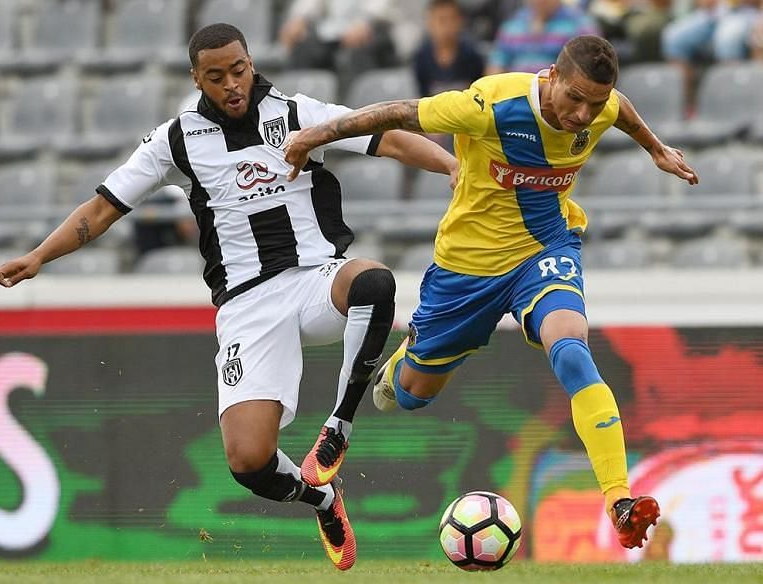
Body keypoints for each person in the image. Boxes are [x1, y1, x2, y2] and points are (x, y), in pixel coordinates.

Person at [0, 24, 457, 570]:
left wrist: (452, 165)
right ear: (195, 78)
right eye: (216, 76)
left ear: (251, 63)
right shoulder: (175, 140)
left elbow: (385, 135)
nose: (232, 84)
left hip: (315, 279)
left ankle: (337, 427)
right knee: (249, 463)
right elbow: (103, 207)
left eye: (239, 70)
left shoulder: (297, 113)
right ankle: (322, 497)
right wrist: (38, 256)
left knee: (374, 281)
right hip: (247, 305)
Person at [284, 35, 699, 550]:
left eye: (595, 102)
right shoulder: (490, 104)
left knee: (570, 347)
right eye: (575, 98)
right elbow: (397, 112)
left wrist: (656, 149)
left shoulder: (600, 105)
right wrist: (312, 136)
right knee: (408, 397)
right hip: (466, 269)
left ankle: (619, 498)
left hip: (544, 249)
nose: (584, 113)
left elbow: (622, 111)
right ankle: (405, 360)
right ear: (551, 76)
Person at [413, 0, 485, 151]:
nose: (446, 26)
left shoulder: (473, 56)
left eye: (452, 19)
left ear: (461, 21)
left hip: (465, 124)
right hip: (434, 125)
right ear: (430, 22)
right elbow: (421, 98)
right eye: (441, 20)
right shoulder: (421, 57)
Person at [485, 0, 598, 75]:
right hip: (515, 96)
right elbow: (496, 65)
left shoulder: (580, 24)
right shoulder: (514, 23)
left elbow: (588, 68)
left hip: (558, 98)